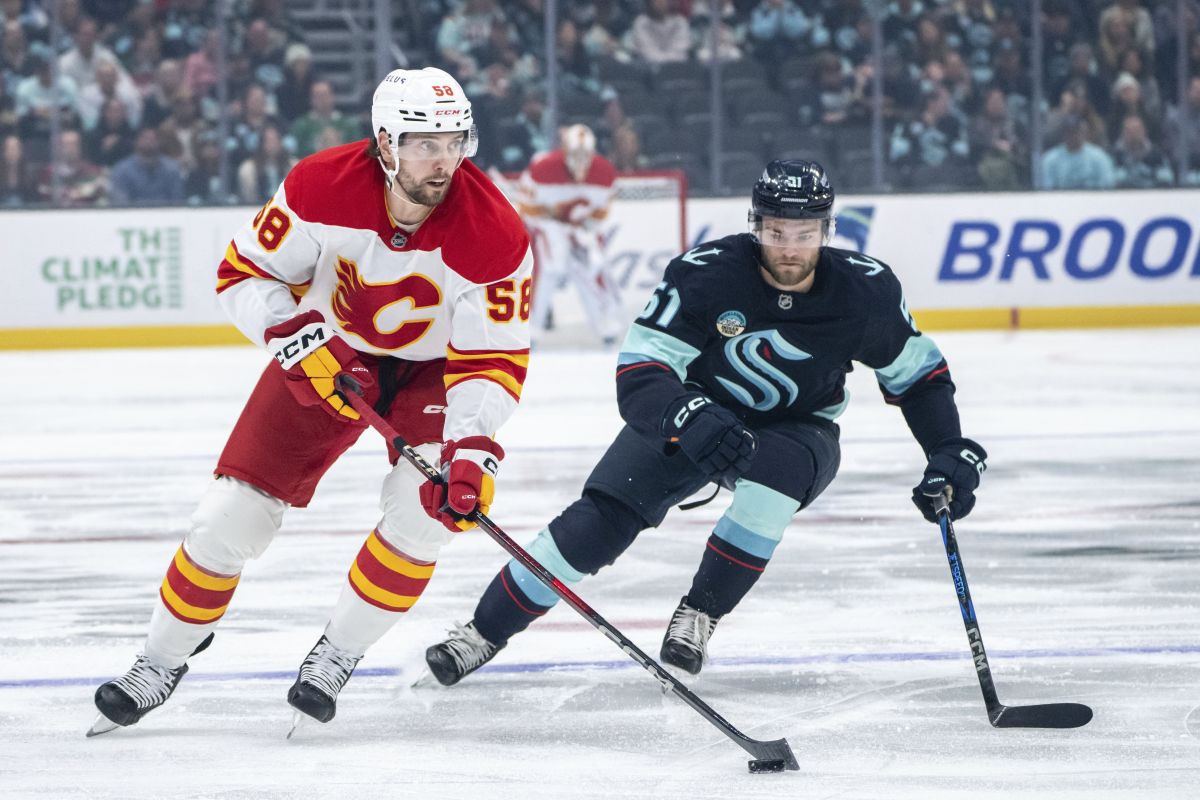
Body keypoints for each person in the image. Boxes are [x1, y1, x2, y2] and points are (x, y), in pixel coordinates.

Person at [422, 159, 987, 684]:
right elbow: (641, 368)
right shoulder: (707, 273)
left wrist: (947, 449)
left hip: (800, 427)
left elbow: (919, 376)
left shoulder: (867, 291)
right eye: (774, 231)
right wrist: (685, 413)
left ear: (827, 229)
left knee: (775, 483)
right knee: (597, 523)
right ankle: (483, 632)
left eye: (804, 233)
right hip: (696, 411)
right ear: (754, 224)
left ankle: (700, 613)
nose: (789, 249)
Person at [90, 66, 534, 735]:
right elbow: (244, 274)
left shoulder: (495, 232)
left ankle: (337, 653)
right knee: (227, 518)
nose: (442, 161)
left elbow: (490, 359)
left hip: (433, 376)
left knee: (425, 517)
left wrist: (472, 452)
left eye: (454, 141)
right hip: (324, 354)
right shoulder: (319, 184)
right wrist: (292, 331)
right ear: (385, 143)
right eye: (423, 143)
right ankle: (160, 660)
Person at [516, 123, 622, 344]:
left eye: (585, 154)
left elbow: (600, 215)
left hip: (582, 228)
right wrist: (551, 218)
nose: (581, 159)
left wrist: (584, 226)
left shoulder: (605, 173)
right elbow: (526, 209)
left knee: (591, 266)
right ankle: (531, 328)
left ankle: (605, 324)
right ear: (564, 150)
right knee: (551, 266)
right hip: (547, 226)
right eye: (576, 153)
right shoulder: (542, 169)